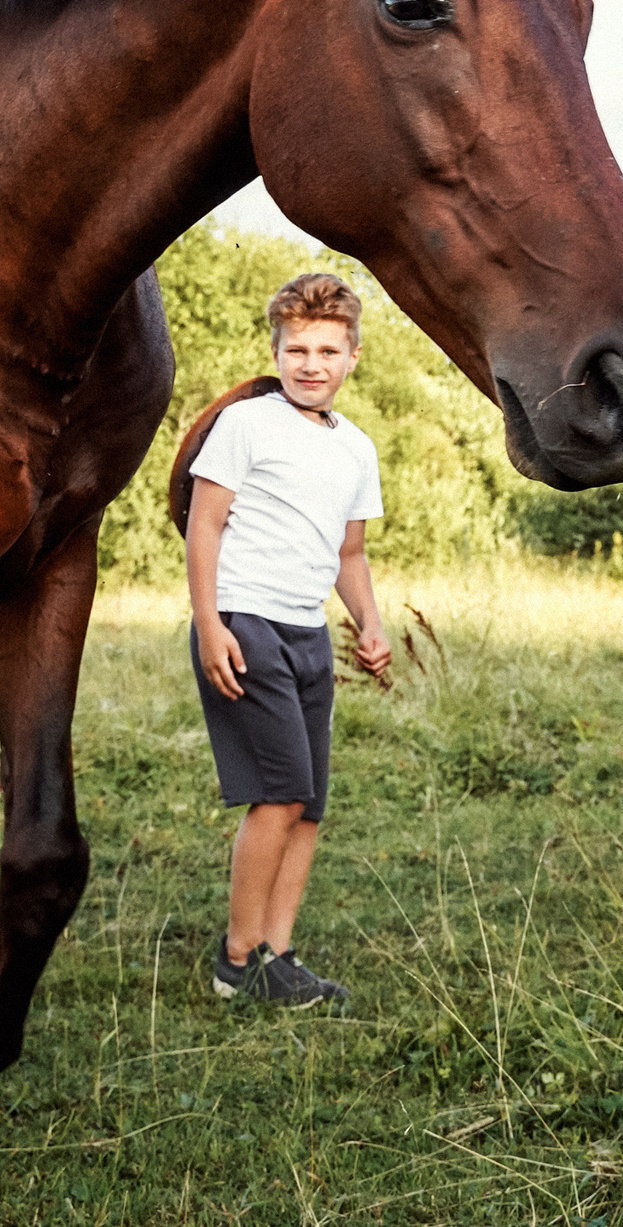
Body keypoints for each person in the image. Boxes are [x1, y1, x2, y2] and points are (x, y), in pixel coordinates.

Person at [185, 273, 392, 1007]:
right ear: (275, 352)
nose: (312, 363)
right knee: (276, 794)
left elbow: (349, 555)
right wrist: (209, 623)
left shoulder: (357, 449)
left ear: (353, 357)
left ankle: (279, 951)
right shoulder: (246, 424)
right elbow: (203, 523)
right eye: (297, 348)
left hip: (309, 634)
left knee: (307, 803)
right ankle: (237, 960)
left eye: (328, 350)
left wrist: (368, 622)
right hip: (245, 623)